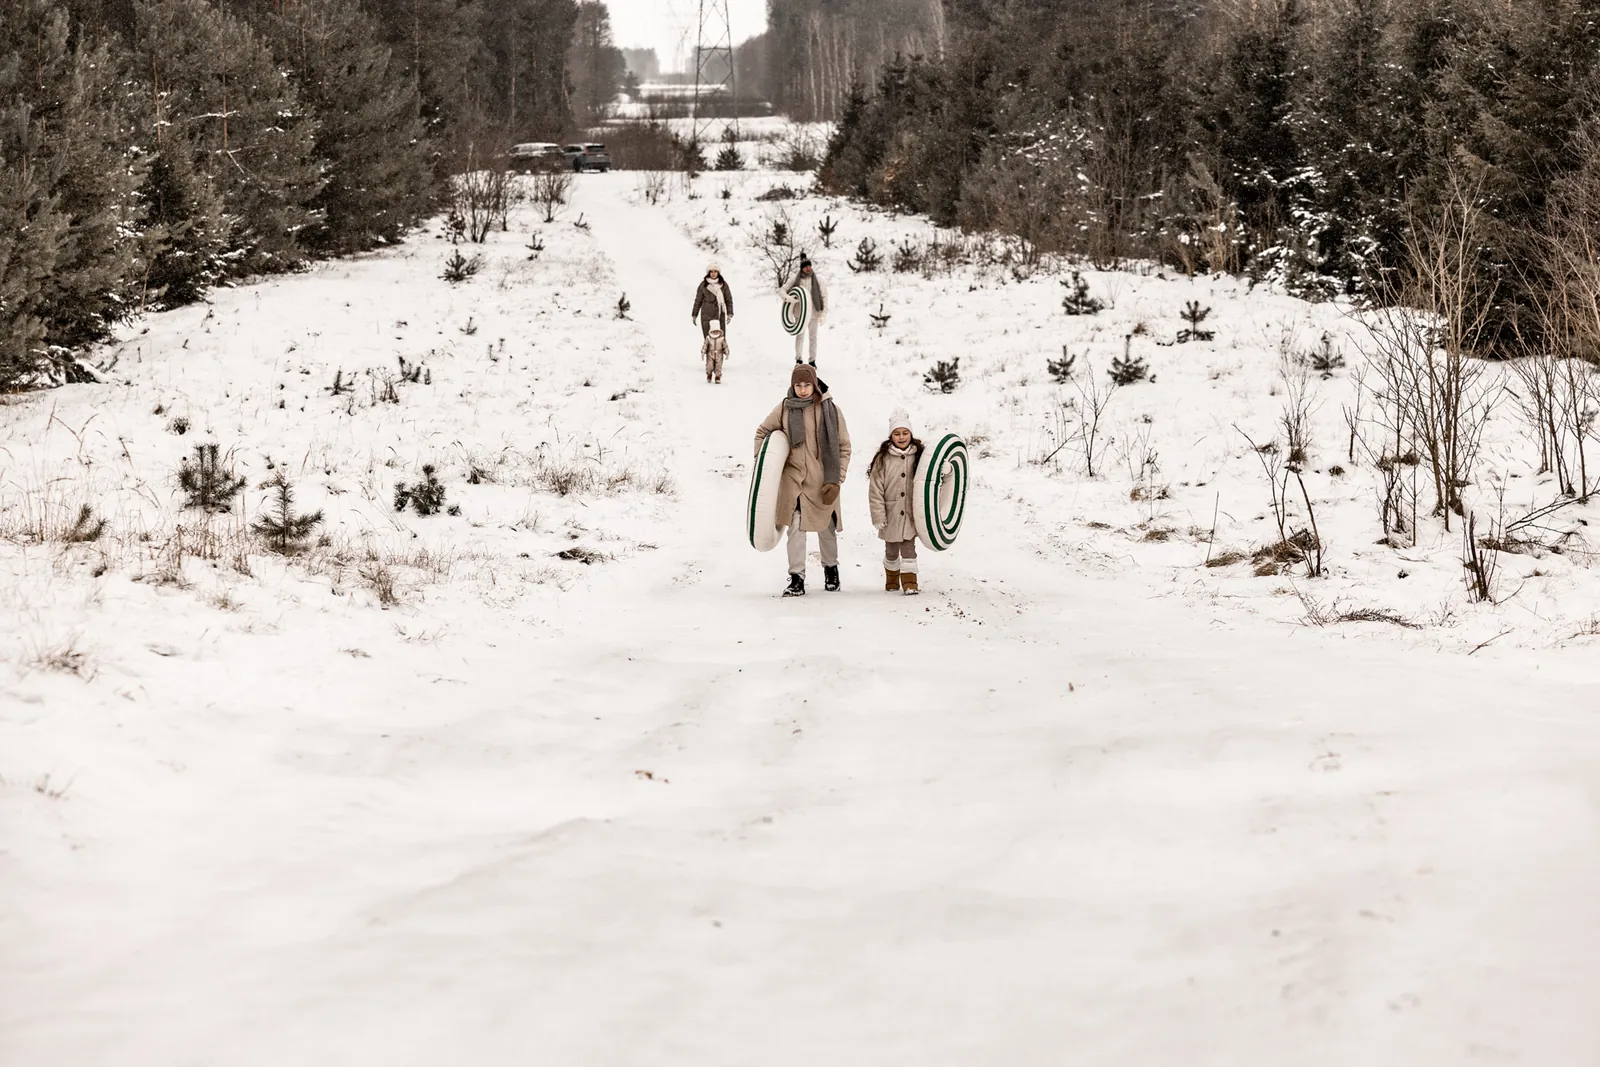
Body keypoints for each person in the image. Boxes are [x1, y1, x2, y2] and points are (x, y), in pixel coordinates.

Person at [754, 364, 851, 596]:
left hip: (823, 480)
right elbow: (762, 433)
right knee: (795, 528)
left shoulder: (831, 410)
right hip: (795, 481)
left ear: (815, 384)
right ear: (792, 385)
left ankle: (831, 571)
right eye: (798, 385)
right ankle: (796, 577)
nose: (803, 390)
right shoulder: (785, 409)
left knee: (826, 528)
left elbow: (843, 446)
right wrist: (764, 468)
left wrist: (837, 479)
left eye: (807, 385)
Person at [867, 412, 927, 595]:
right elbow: (875, 490)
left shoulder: (920, 456)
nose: (901, 437)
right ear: (891, 436)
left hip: (910, 512)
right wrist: (878, 515)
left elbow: (931, 477)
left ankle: (910, 583)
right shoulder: (883, 459)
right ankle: (892, 579)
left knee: (909, 549)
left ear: (911, 434)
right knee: (891, 550)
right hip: (891, 512)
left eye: (905, 433)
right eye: (897, 433)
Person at [784, 253, 826, 365]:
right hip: (800, 313)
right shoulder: (795, 279)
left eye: (809, 266)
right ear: (802, 268)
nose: (808, 268)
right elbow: (781, 291)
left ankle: (812, 360)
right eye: (806, 267)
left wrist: (823, 314)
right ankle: (798, 359)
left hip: (813, 314)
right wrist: (788, 298)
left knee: (813, 338)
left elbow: (824, 297)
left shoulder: (818, 280)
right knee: (800, 337)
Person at [691, 264, 733, 337]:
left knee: (720, 339)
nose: (713, 274)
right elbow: (698, 301)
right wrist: (694, 315)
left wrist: (729, 313)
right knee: (708, 339)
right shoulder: (703, 285)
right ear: (709, 273)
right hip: (706, 315)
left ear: (718, 273)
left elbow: (728, 300)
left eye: (715, 271)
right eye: (711, 272)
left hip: (719, 315)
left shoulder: (723, 284)